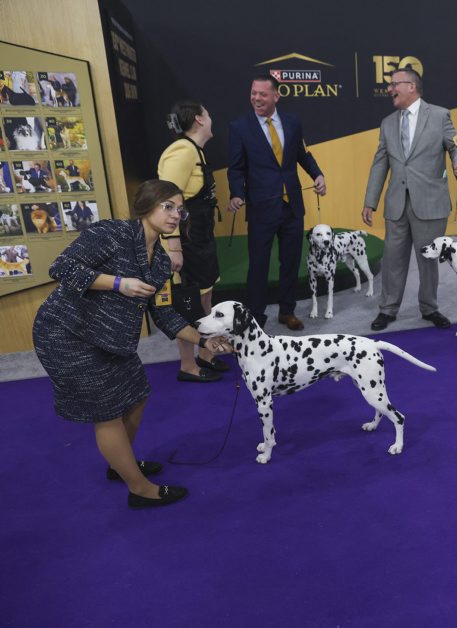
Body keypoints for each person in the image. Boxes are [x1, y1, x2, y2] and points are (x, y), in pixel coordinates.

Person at [31, 179, 230, 509]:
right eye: (168, 206)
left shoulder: (161, 262)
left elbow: (164, 314)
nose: (175, 215)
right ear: (147, 206)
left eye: (180, 210)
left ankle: (119, 464)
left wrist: (205, 341)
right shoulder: (112, 233)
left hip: (110, 340)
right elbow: (61, 267)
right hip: (66, 334)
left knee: (137, 396)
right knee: (108, 413)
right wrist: (118, 283)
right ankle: (139, 489)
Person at [362, 67, 457, 332]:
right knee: (392, 259)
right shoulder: (387, 123)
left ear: (411, 86)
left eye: (394, 84)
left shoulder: (440, 115)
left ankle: (429, 308)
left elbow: (456, 146)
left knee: (429, 260)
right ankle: (387, 309)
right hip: (396, 204)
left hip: (430, 203)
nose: (389, 89)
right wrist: (370, 201)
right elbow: (380, 163)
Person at [228, 74, 326, 330]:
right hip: (261, 208)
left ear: (276, 96)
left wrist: (317, 174)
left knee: (290, 262)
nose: (256, 98)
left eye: (262, 94)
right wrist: (237, 193)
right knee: (258, 266)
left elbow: (302, 154)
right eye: (253, 93)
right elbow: (236, 168)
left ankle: (287, 311)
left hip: (292, 206)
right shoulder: (240, 127)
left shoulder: (293, 123)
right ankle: (255, 318)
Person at [158, 100, 226, 382]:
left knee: (205, 297)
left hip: (200, 238)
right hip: (184, 242)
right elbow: (165, 200)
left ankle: (206, 355)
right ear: (199, 120)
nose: (210, 118)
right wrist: (173, 247)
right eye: (207, 114)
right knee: (188, 304)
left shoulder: (196, 151)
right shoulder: (182, 152)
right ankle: (188, 366)